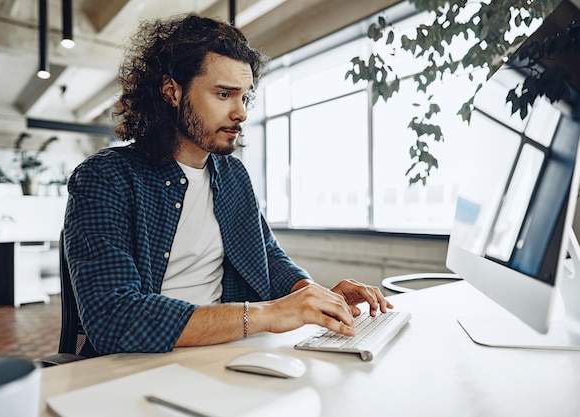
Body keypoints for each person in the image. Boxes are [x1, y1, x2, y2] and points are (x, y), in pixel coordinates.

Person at [63, 13, 394, 356]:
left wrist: (314, 295)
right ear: (171, 91)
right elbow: (114, 319)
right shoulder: (105, 178)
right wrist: (268, 314)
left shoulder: (234, 175)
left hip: (226, 352)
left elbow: (267, 256)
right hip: (138, 365)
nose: (241, 113)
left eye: (244, 97)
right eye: (224, 94)